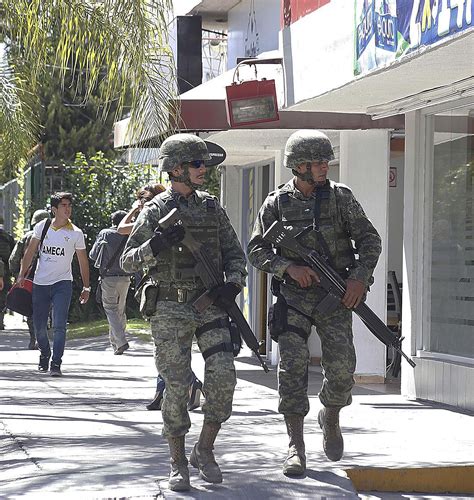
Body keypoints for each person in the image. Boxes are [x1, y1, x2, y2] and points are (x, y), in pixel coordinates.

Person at [247, 130, 382, 475]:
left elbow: (369, 240)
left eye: (326, 160)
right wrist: (287, 267)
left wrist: (359, 278)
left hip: (335, 296)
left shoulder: (340, 198)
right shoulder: (276, 203)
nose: (325, 166)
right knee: (292, 365)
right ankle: (295, 444)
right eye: (318, 161)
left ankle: (331, 414)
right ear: (299, 166)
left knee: (342, 369)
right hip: (293, 299)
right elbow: (256, 250)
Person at [121, 133, 247, 492]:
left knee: (223, 377)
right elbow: (127, 261)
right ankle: (177, 462)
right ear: (176, 169)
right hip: (170, 308)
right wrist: (154, 245)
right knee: (176, 387)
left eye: (204, 163)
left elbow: (236, 254)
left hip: (210, 304)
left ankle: (204, 449)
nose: (203, 169)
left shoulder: (212, 209)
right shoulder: (156, 211)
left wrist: (233, 283)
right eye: (196, 164)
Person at [119, 183, 204, 412]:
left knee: (168, 350)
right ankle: (171, 389)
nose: (146, 208)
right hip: (157, 288)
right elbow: (123, 230)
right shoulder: (150, 218)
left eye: (148, 203)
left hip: (179, 291)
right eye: (144, 204)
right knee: (168, 350)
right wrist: (152, 238)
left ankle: (176, 388)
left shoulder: (187, 214)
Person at [17, 192, 90, 377]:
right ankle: (45, 353)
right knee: (39, 326)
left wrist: (86, 287)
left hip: (62, 284)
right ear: (54, 209)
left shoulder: (76, 233)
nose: (68, 209)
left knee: (59, 325)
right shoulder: (43, 227)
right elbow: (30, 252)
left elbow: (82, 261)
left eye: (70, 205)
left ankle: (56, 363)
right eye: (64, 205)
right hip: (41, 283)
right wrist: (21, 275)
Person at [89, 210, 132, 355]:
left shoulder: (105, 233)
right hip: (125, 277)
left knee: (111, 310)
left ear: (112, 221)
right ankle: (115, 344)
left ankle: (121, 341)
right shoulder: (128, 234)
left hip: (108, 278)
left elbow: (93, 255)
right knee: (120, 310)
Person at [9, 209, 50, 348]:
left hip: (27, 278)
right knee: (45, 307)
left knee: (30, 307)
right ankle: (42, 335)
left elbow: (14, 259)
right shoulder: (55, 235)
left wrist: (16, 274)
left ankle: (34, 338)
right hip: (48, 276)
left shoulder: (27, 237)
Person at [0, 215, 15, 330]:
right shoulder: (7, 237)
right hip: (4, 272)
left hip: (4, 271)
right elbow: (13, 257)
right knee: (3, 297)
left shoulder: (7, 237)